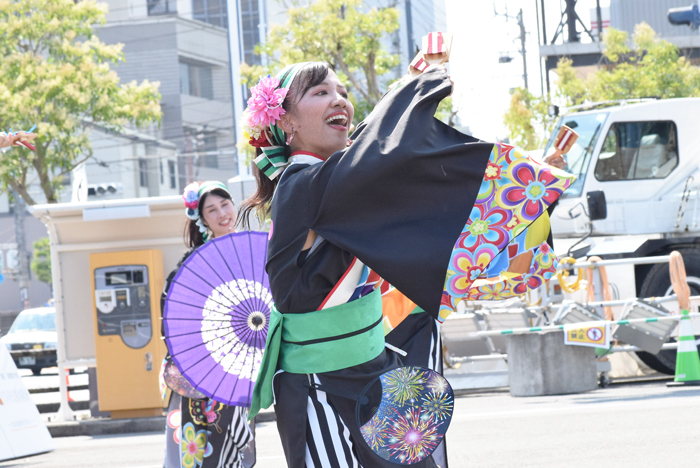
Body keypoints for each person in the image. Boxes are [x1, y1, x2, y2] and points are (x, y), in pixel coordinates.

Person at [240, 61, 574, 468]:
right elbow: (375, 152)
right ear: (286, 121)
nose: (339, 99)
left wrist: (528, 195)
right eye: (321, 92)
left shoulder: (332, 181)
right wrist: (419, 81)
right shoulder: (300, 183)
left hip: (372, 363)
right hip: (318, 383)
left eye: (342, 91)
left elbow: (415, 198)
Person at [162, 181, 254, 468]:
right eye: (211, 210)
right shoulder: (195, 262)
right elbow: (174, 315)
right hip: (204, 369)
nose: (222, 213)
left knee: (238, 444)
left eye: (225, 204)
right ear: (202, 220)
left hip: (241, 367)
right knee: (202, 448)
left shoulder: (253, 249)